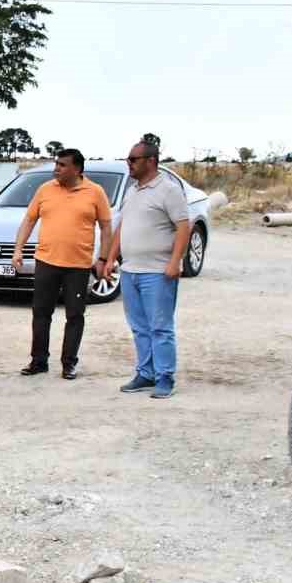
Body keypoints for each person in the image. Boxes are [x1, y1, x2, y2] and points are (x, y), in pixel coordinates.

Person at [9, 148, 113, 379]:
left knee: (75, 315)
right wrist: (18, 250)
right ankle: (38, 361)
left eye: (62, 165)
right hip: (46, 261)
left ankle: (69, 363)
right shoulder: (45, 189)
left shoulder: (95, 192)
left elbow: (106, 227)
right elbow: (29, 220)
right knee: (41, 313)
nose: (56, 168)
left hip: (78, 265)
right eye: (56, 163)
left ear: (77, 168)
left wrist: (103, 259)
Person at [101, 139, 190, 399]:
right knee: (139, 326)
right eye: (128, 159)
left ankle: (165, 378)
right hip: (130, 271)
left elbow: (183, 226)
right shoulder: (132, 190)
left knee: (160, 327)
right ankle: (145, 373)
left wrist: (175, 261)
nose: (128, 164)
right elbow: (122, 226)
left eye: (133, 159)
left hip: (157, 271)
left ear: (150, 161)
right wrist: (109, 258)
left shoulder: (168, 190)